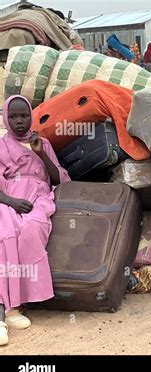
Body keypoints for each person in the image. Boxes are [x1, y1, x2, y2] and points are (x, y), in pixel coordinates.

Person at [0, 96, 71, 346]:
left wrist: (41, 154)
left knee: (30, 229)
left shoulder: (42, 143)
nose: (19, 121)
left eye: (24, 116)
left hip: (38, 198)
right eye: (13, 116)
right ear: (6, 119)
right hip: (7, 198)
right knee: (6, 232)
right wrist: (10, 202)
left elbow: (57, 180)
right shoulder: (1, 146)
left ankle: (19, 304)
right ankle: (7, 310)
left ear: (31, 116)